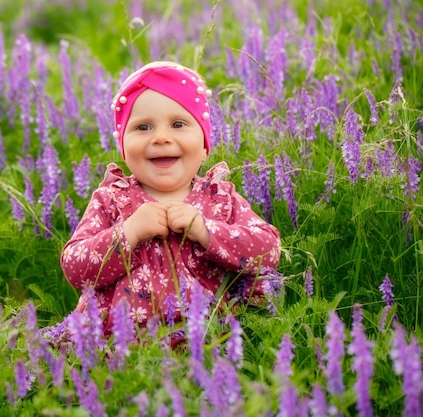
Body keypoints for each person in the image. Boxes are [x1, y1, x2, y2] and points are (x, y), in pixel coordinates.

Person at [60, 61, 281, 339]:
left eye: (178, 124)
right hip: (120, 347)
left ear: (203, 146)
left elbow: (269, 253)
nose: (161, 137)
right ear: (123, 148)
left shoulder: (220, 198)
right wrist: (127, 233)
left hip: (210, 342)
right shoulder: (111, 199)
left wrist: (206, 232)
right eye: (142, 127)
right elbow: (75, 270)